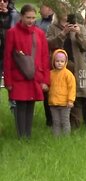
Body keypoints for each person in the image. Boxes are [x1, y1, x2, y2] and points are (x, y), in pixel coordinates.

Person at [4, 4, 49, 139]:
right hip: (18, 76)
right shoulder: (12, 33)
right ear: (21, 17)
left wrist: (45, 80)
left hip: (35, 75)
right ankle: (21, 136)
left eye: (33, 18)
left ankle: (27, 137)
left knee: (31, 104)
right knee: (20, 106)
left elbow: (44, 57)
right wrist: (8, 81)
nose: (31, 20)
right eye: (28, 17)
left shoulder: (40, 34)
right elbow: (7, 59)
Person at [47, 10, 86, 129]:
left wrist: (78, 34)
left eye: (68, 9)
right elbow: (49, 44)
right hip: (59, 68)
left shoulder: (80, 27)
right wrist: (63, 33)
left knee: (77, 96)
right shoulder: (52, 28)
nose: (66, 12)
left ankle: (75, 127)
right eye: (63, 9)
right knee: (59, 94)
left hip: (78, 66)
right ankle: (58, 125)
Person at [48, 49, 76, 136]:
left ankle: (66, 138)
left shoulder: (68, 74)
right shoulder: (50, 74)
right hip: (53, 103)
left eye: (62, 61)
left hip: (65, 104)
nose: (59, 63)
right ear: (53, 61)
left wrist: (70, 100)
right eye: (57, 61)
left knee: (65, 121)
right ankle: (57, 138)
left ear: (65, 62)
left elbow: (72, 88)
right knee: (56, 122)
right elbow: (48, 85)